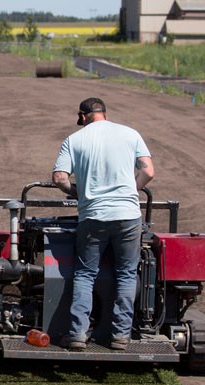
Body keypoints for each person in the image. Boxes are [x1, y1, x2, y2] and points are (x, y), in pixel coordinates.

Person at [51, 97, 155, 351]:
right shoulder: (130, 134)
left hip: (94, 216)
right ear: (104, 114)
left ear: (83, 116)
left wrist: (78, 192)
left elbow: (59, 177)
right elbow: (148, 171)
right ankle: (120, 336)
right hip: (129, 216)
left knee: (85, 274)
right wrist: (133, 188)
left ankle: (77, 333)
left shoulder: (74, 140)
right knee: (127, 273)